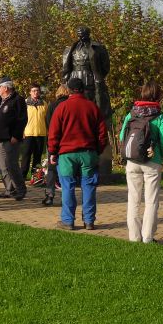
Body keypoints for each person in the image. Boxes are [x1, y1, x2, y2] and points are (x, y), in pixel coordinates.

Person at [47, 76, 108, 230]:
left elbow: (54, 133)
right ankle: (89, 221)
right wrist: (98, 150)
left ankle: (68, 221)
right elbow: (102, 133)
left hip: (67, 154)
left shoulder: (62, 107)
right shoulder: (92, 107)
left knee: (67, 186)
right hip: (88, 153)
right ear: (83, 89)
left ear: (68, 90)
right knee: (89, 186)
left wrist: (53, 151)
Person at [118, 80, 163, 243]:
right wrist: (161, 156)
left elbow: (122, 137)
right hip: (151, 161)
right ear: (157, 95)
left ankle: (134, 237)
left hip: (133, 161)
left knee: (133, 199)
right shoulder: (159, 116)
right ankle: (148, 237)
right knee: (151, 200)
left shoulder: (132, 113)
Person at [0, 76, 28, 200]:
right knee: (2, 165)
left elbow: (22, 120)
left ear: (6, 87)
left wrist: (16, 135)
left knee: (11, 164)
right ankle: (9, 189)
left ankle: (21, 189)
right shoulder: (0, 101)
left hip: (11, 139)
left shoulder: (18, 100)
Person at [61, 26, 111, 120]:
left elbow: (105, 67)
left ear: (88, 35)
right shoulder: (72, 48)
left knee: (92, 104)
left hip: (90, 79)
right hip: (74, 78)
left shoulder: (98, 48)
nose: (80, 38)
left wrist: (95, 76)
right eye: (79, 35)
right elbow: (67, 66)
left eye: (83, 35)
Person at [42, 84, 70, 206]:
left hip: (54, 140)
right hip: (68, 141)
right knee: (67, 170)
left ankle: (49, 195)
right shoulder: (70, 105)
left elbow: (48, 122)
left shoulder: (52, 105)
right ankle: (66, 196)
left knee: (52, 169)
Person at [20, 84, 48, 182]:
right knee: (26, 155)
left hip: (40, 133)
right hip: (28, 133)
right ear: (30, 92)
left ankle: (35, 176)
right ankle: (22, 175)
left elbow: (46, 118)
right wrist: (21, 131)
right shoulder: (25, 103)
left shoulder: (44, 103)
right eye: (34, 90)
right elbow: (21, 119)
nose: (36, 92)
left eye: (37, 90)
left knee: (38, 156)